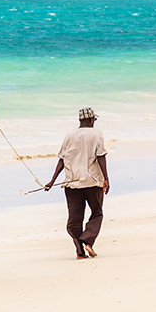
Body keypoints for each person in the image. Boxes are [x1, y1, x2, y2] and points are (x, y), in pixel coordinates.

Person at [44, 107, 109, 259]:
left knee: (75, 219)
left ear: (80, 120)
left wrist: (52, 180)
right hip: (92, 182)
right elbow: (101, 157)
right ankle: (87, 241)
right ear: (91, 120)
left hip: (71, 184)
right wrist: (106, 178)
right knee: (97, 213)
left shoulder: (69, 135)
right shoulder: (97, 134)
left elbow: (62, 159)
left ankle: (80, 251)